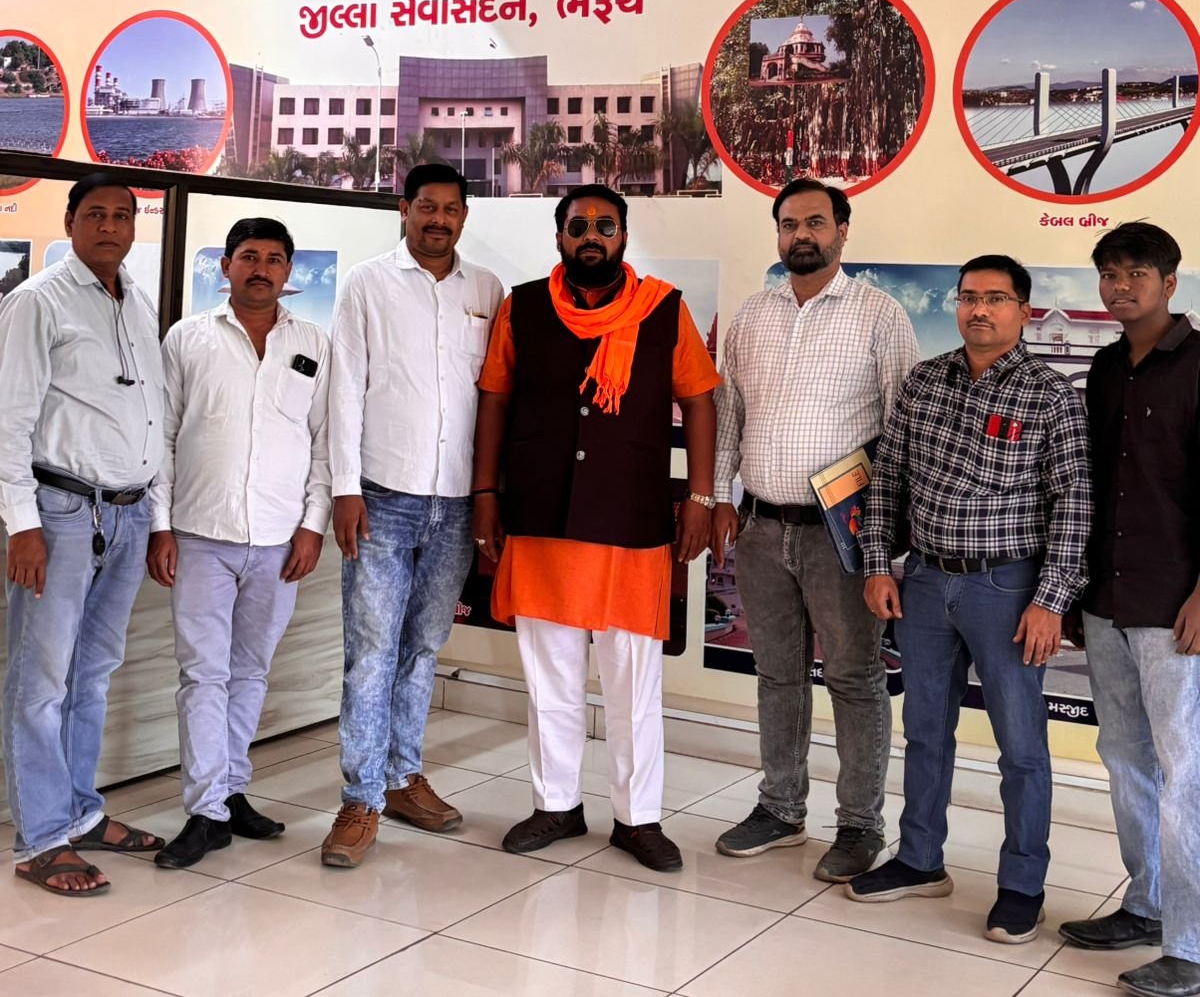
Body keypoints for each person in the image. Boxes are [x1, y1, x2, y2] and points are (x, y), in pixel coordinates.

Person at [472, 184, 720, 873]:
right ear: (559, 237)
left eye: (604, 226)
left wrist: (700, 497)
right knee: (548, 675)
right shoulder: (523, 306)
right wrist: (485, 492)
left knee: (632, 683)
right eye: (577, 225)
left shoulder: (663, 307)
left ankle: (638, 819)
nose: (591, 236)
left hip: (630, 520)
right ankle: (555, 805)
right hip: (541, 517)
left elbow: (700, 401)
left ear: (623, 236)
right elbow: (494, 399)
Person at [848, 254, 1091, 945]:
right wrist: (878, 565)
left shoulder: (1051, 395)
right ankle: (920, 859)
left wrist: (1051, 600)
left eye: (996, 298)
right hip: (925, 582)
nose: (979, 309)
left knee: (1021, 745)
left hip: (1007, 588)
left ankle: (1022, 885)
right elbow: (888, 480)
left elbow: (1074, 503)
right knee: (925, 730)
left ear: (1023, 311)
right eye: (968, 297)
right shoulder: (925, 381)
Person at [711, 178, 919, 882]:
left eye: (816, 223)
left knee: (855, 678)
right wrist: (719, 496)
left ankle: (860, 825)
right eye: (789, 223)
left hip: (843, 536)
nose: (801, 235)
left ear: (842, 230)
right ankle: (780, 808)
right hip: (762, 526)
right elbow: (731, 414)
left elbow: (901, 432)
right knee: (777, 676)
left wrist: (884, 540)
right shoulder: (753, 314)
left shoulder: (879, 315)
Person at [320, 164, 503, 868]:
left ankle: (402, 778)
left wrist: (488, 494)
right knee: (371, 650)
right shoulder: (367, 283)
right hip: (381, 496)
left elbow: (493, 397)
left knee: (424, 646)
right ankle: (360, 798)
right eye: (427, 207)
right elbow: (344, 390)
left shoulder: (485, 290)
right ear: (405, 210)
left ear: (464, 217)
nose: (438, 220)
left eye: (451, 209)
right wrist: (344, 487)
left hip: (454, 502)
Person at [147, 218, 331, 869]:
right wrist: (160, 525)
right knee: (203, 675)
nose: (261, 269)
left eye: (274, 259)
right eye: (248, 256)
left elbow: (324, 444)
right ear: (225, 266)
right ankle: (205, 812)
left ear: (289, 272)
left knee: (250, 672)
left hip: (279, 539)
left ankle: (229, 792)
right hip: (199, 535)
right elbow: (163, 437)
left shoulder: (312, 343)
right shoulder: (187, 338)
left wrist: (313, 525)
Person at [0, 174, 165, 895]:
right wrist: (22, 525)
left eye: (122, 215)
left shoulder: (136, 302)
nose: (109, 226)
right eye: (95, 213)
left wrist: (156, 519)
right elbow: (7, 419)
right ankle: (42, 838)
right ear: (70, 221)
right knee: (41, 681)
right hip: (60, 515)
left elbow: (152, 418)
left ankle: (80, 812)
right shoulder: (38, 301)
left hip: (127, 514)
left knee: (92, 675)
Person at [1058, 222, 1200, 997]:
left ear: (1169, 283)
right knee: (1124, 757)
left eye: (1135, 274)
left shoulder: (1199, 364)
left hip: (1176, 602)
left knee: (1186, 771)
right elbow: (1094, 486)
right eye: (1109, 274)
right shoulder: (1107, 367)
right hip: (1108, 596)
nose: (1120, 287)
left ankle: (1192, 944)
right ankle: (1145, 905)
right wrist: (1077, 592)